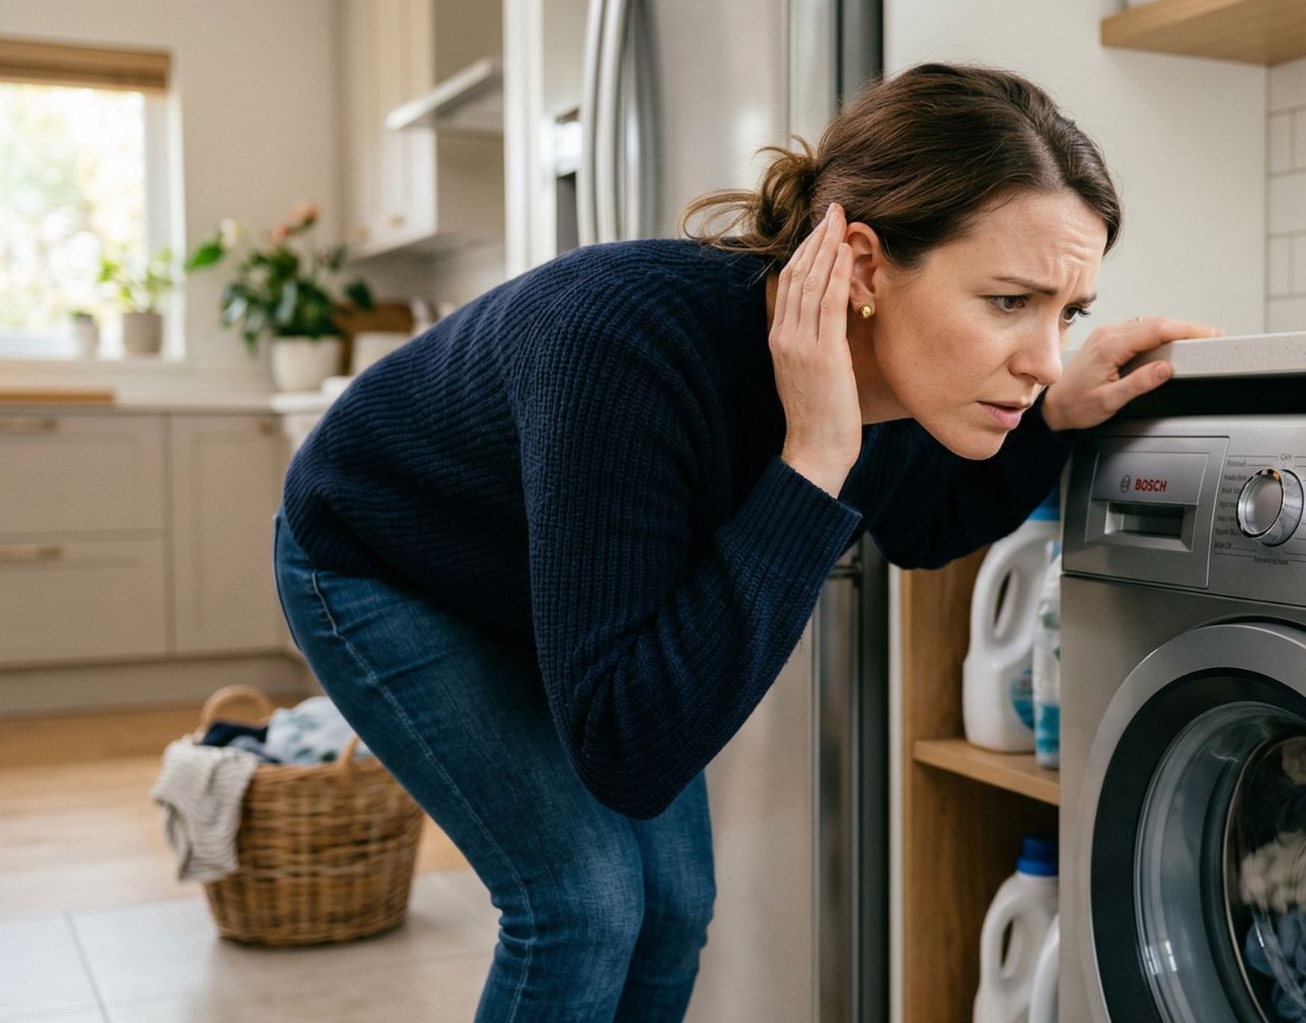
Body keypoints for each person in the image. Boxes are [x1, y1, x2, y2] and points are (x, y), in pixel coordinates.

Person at [271, 61, 1223, 1022]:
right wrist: (810, 462)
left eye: (1069, 313)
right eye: (1009, 302)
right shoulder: (625, 347)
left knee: (675, 907)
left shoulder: (881, 376)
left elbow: (928, 527)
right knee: (585, 907)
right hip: (380, 561)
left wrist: (1055, 419)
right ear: (860, 268)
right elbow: (629, 755)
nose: (1043, 356)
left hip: (545, 581)